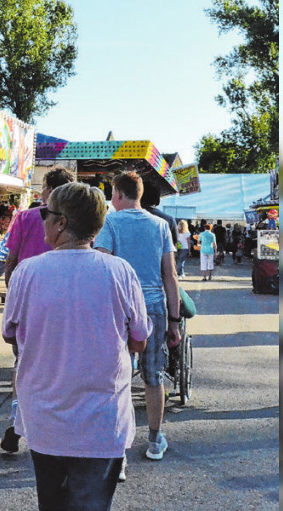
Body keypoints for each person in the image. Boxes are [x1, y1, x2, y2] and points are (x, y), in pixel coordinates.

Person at [4, 182, 151, 510]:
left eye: (46, 213)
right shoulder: (119, 272)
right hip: (101, 421)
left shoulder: (27, 272)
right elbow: (139, 340)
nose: (41, 220)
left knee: (51, 503)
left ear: (62, 222)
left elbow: (9, 333)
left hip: (45, 419)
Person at [94, 171, 180, 462]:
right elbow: (170, 275)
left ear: (117, 194)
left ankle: (116, 446)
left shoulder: (109, 222)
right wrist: (174, 320)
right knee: (153, 377)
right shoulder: (160, 225)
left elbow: (102, 265)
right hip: (153, 306)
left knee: (116, 377)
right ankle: (155, 439)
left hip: (118, 308)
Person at [0, 165, 75, 454]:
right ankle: (53, 427)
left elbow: (11, 259)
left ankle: (16, 419)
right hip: (63, 301)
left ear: (46, 189)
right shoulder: (71, 221)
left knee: (24, 362)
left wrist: (12, 292)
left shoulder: (25, 217)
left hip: (29, 297)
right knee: (60, 364)